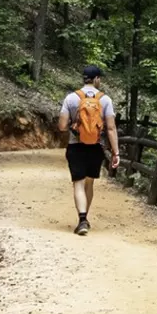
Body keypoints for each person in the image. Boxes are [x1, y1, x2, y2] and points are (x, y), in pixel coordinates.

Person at [56, 64, 119, 234]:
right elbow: (111, 128)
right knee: (89, 183)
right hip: (95, 147)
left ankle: (82, 219)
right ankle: (84, 219)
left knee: (78, 183)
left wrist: (75, 126)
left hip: (76, 146)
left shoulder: (71, 98)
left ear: (84, 79)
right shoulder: (105, 100)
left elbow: (62, 126)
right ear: (97, 79)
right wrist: (116, 152)